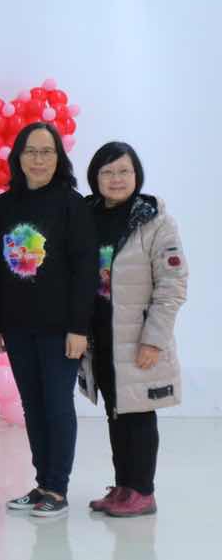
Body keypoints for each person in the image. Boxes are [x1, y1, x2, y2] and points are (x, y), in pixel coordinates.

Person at [0, 122, 97, 518]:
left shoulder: (72, 205)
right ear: (18, 157)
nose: (38, 159)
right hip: (17, 326)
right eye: (31, 151)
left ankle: (57, 489)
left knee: (56, 404)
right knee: (33, 406)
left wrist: (79, 328)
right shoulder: (4, 205)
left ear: (58, 158)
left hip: (60, 329)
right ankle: (42, 483)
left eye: (46, 151)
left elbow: (85, 270)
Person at [80, 142, 187, 518]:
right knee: (116, 410)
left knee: (139, 414)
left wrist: (153, 340)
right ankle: (124, 486)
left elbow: (173, 284)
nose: (116, 179)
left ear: (136, 174)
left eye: (123, 171)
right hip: (101, 336)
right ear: (95, 177)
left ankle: (143, 491)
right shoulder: (87, 216)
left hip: (137, 337)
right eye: (107, 172)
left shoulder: (155, 221)